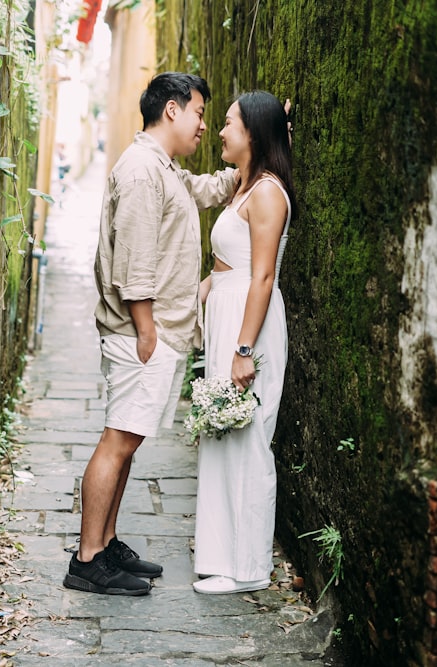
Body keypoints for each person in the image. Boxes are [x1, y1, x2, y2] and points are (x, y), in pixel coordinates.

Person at [63, 72, 237, 596]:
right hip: (144, 332)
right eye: (200, 113)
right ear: (171, 110)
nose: (204, 125)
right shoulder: (141, 170)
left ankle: (107, 541)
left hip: (156, 332)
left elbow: (207, 189)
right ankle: (88, 558)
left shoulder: (165, 169)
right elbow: (134, 262)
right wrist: (146, 332)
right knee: (118, 440)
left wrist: (257, 156)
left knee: (129, 441)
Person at [192, 90, 296, 594]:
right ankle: (221, 555)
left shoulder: (269, 193)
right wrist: (203, 291)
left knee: (250, 442)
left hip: (248, 327)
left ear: (252, 132)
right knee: (223, 437)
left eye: (229, 122)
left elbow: (262, 277)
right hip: (228, 319)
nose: (219, 131)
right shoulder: (243, 185)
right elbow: (230, 264)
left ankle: (249, 567)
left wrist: (243, 349)